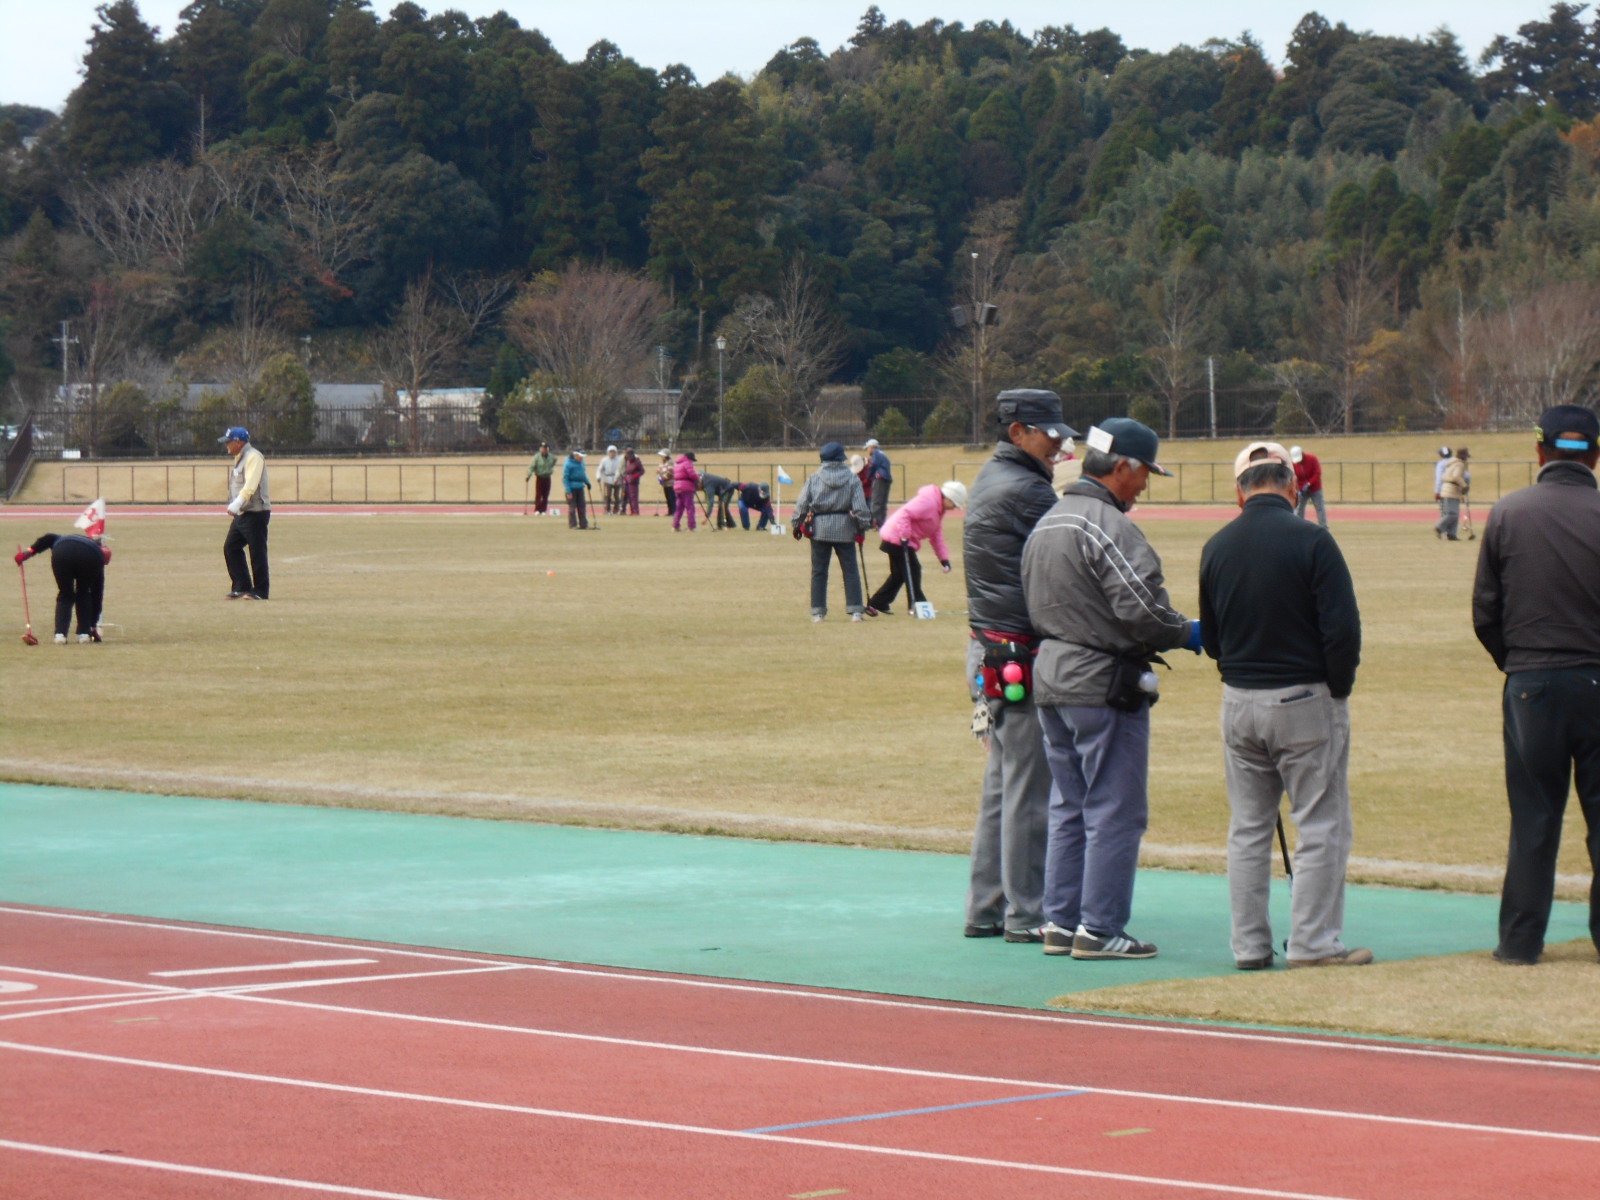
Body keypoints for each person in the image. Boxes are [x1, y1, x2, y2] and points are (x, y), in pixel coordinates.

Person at [1020, 417, 1201, 960]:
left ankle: (1061, 922)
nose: (1145, 484)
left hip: (1050, 675)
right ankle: (1099, 929)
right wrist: (1189, 633)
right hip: (1099, 682)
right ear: (1123, 466)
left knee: (1069, 805)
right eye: (1145, 472)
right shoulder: (1107, 525)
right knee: (1115, 810)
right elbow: (1143, 611)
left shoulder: (1049, 520)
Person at [1200, 441, 1369, 970]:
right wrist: (1336, 690)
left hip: (1238, 699)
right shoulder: (1313, 541)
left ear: (1239, 492)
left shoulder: (1217, 545)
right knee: (1320, 824)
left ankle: (1249, 947)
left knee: (1248, 828)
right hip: (1302, 697)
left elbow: (1212, 637)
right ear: (1294, 487)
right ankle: (1314, 944)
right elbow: (1343, 631)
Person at [1471, 405, 1600, 967]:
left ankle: (1520, 942)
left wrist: (1518, 663)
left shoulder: (1508, 513)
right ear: (1595, 455)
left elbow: (1485, 611)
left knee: (1533, 818)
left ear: (1540, 450)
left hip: (1531, 682)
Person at [962, 389, 1079, 944]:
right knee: (1029, 792)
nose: (1057, 442)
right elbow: (1072, 550)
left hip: (989, 650)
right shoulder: (1027, 490)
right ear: (1017, 432)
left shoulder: (992, 477)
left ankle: (986, 907)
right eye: (1048, 432)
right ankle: (1028, 915)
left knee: (1001, 790)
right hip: (1017, 655)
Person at [790, 442, 873, 622]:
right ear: (841, 458)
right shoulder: (852, 479)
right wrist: (863, 526)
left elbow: (802, 504)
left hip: (820, 528)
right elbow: (860, 508)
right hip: (845, 528)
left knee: (819, 571)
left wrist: (796, 524)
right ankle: (856, 611)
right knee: (850, 570)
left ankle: (818, 612)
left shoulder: (814, 478)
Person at [866, 480, 964, 616]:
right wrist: (905, 534)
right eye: (954, 504)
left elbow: (936, 535)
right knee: (913, 570)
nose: (954, 508)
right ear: (947, 498)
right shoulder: (928, 502)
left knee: (899, 574)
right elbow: (905, 514)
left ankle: (878, 603)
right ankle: (918, 605)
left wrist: (944, 559)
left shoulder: (938, 509)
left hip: (901, 539)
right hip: (897, 538)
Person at [15, 531, 111, 644]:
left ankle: (60, 635)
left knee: (65, 594)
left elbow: (48, 538)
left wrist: (28, 553)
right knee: (84, 593)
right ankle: (84, 634)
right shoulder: (97, 556)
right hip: (88, 558)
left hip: (62, 552)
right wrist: (92, 626)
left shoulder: (65, 538)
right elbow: (97, 595)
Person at [220, 426, 270, 599]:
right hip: (242, 513)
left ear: (239, 442)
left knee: (257, 551)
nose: (226, 445)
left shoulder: (254, 457)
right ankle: (241, 586)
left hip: (255, 511)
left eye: (228, 442)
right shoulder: (240, 458)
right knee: (231, 547)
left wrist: (238, 503)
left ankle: (261, 591)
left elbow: (251, 485)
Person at [1436, 448, 1470, 541]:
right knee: (1453, 514)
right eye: (1466, 456)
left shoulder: (1453, 463)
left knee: (1454, 514)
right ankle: (1439, 527)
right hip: (1450, 491)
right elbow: (1456, 476)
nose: (1467, 459)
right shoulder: (1459, 464)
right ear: (1463, 456)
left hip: (1450, 490)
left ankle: (1452, 534)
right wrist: (1464, 486)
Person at [1289, 445, 1327, 527]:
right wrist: (1299, 488)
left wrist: (1309, 484)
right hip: (1302, 490)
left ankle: (1324, 527)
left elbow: (1317, 473)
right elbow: (1294, 477)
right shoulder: (1293, 464)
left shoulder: (1312, 459)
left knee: (1320, 508)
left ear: (1302, 454)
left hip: (1315, 488)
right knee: (1299, 509)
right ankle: (1299, 527)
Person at [865, 437, 893, 527]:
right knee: (883, 502)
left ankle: (875, 523)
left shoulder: (876, 454)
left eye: (868, 448)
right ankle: (883, 522)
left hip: (880, 478)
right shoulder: (883, 454)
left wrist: (868, 476)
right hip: (887, 479)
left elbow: (874, 465)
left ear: (872, 447)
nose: (867, 450)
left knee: (876, 502)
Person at [672, 450, 701, 531]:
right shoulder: (687, 463)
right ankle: (691, 526)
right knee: (690, 507)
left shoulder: (677, 463)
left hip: (677, 486)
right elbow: (691, 474)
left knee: (679, 507)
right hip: (686, 487)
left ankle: (675, 525)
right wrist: (697, 478)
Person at [527, 441, 558, 515]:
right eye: (542, 448)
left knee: (545, 495)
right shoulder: (537, 457)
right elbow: (532, 467)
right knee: (538, 494)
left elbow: (555, 460)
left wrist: (550, 469)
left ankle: (543, 510)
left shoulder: (551, 457)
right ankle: (537, 509)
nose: (544, 450)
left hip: (547, 477)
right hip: (540, 477)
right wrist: (529, 475)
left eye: (546, 448)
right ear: (540, 449)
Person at [563, 448, 591, 529]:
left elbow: (583, 474)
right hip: (572, 488)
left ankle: (583, 524)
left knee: (582, 506)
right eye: (580, 456)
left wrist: (587, 482)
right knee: (572, 507)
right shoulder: (568, 464)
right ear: (575, 455)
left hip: (580, 487)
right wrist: (568, 491)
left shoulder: (582, 463)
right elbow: (565, 478)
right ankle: (573, 524)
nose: (582, 458)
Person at [596, 445, 624, 514]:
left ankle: (616, 509)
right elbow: (600, 469)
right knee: (608, 495)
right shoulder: (604, 460)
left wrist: (617, 477)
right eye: (610, 452)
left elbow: (619, 469)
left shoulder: (619, 460)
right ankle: (607, 509)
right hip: (608, 479)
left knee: (616, 495)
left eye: (613, 452)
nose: (612, 454)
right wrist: (598, 477)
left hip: (617, 479)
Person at [1433, 445, 1452, 523]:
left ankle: (1443, 529)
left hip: (1444, 490)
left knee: (1444, 512)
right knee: (1453, 512)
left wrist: (1437, 492)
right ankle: (1451, 531)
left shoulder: (1440, 464)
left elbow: (1439, 479)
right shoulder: (1455, 462)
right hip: (1454, 490)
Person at [622, 448, 644, 515]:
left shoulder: (637, 462)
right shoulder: (628, 461)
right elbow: (627, 471)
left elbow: (642, 471)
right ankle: (632, 510)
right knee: (629, 496)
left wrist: (634, 476)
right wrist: (625, 477)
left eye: (630, 456)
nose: (629, 458)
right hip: (627, 481)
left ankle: (636, 511)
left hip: (634, 482)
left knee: (634, 496)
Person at [656, 449, 676, 517]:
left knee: (672, 498)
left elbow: (670, 473)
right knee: (668, 498)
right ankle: (670, 511)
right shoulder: (662, 464)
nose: (662, 458)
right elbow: (659, 471)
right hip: (665, 484)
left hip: (671, 484)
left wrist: (664, 477)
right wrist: (659, 475)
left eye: (663, 456)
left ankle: (673, 511)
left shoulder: (670, 463)